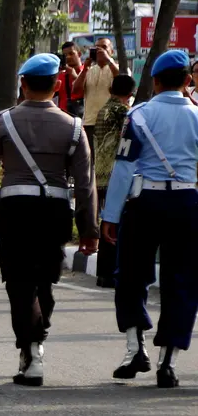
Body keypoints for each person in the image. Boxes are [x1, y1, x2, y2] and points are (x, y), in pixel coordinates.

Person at [0, 53, 96, 387]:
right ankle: (34, 345)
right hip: (54, 211)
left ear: (23, 84)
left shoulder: (1, 122)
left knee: (20, 282)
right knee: (46, 280)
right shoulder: (75, 128)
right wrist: (89, 227)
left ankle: (32, 349)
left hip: (16, 210)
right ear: (56, 85)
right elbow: (85, 183)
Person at [101, 49, 198, 388]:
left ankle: (134, 348)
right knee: (182, 279)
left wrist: (110, 215)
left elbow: (125, 166)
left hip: (145, 202)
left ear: (155, 81)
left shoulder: (139, 116)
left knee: (130, 273)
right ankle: (167, 361)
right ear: (188, 81)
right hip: (187, 201)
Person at [92, 74, 135, 287]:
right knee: (116, 225)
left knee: (106, 222)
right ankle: (112, 273)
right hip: (116, 174)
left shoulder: (102, 111)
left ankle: (103, 272)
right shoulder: (124, 112)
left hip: (100, 173)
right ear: (130, 93)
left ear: (110, 89)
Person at [76, 38, 119, 156]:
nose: (100, 50)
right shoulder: (88, 70)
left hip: (109, 124)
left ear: (112, 52)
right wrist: (85, 69)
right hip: (90, 123)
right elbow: (76, 90)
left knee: (107, 160)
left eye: (104, 47)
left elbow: (121, 81)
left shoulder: (117, 68)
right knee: (91, 160)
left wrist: (108, 60)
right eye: (97, 48)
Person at [56, 41, 84, 117]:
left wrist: (75, 76)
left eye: (71, 53)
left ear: (79, 54)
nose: (68, 57)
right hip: (62, 118)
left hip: (83, 118)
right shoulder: (60, 75)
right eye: (65, 55)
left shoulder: (88, 72)